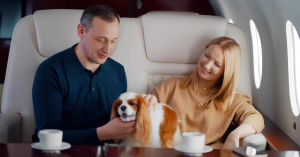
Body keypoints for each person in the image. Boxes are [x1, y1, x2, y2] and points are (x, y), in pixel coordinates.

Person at [32, 5, 156, 145]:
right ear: (81, 31)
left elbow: (120, 123)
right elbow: (46, 135)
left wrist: (144, 108)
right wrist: (103, 133)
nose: (107, 49)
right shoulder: (50, 71)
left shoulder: (118, 71)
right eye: (101, 40)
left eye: (114, 40)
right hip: (61, 152)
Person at [148, 37, 265, 149]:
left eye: (217, 64)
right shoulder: (170, 86)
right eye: (207, 55)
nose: (207, 65)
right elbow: (147, 117)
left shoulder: (232, 98)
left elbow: (256, 119)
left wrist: (235, 134)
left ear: (226, 71)